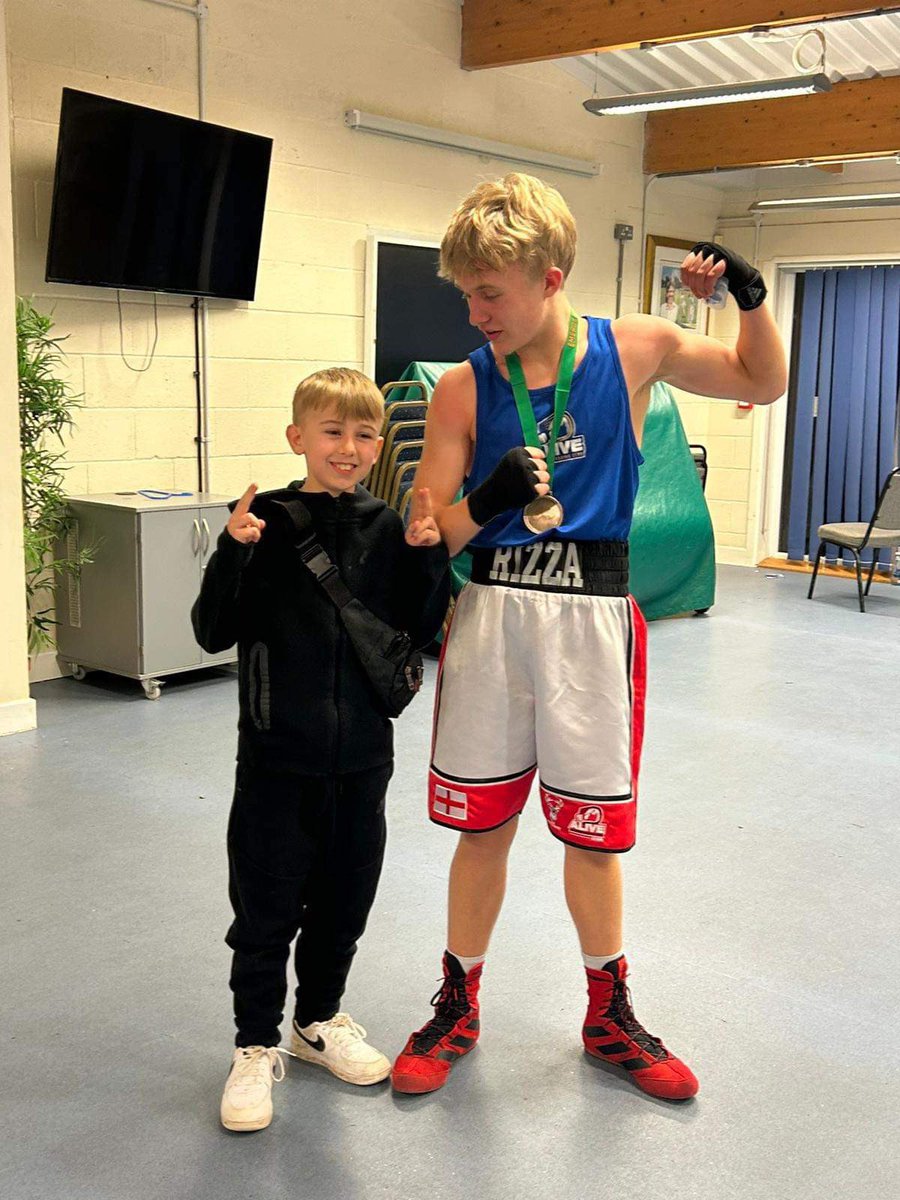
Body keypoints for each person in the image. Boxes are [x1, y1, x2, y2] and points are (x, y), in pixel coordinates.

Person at [393, 174, 786, 1101]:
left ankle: (609, 1014)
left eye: (491, 291)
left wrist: (750, 295)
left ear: (552, 276)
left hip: (593, 620)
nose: (476, 310)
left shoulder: (635, 348)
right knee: (482, 828)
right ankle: (458, 1003)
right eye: (466, 292)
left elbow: (762, 382)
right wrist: (482, 500)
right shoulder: (461, 386)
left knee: (593, 834)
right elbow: (427, 533)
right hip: (491, 616)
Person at [192, 368, 449, 1131]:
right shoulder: (264, 521)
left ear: (380, 446)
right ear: (297, 437)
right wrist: (232, 553)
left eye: (364, 434)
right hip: (275, 758)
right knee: (266, 909)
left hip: (364, 759)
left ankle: (319, 1023)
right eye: (332, 432)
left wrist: (428, 556)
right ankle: (252, 1045)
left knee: (344, 902)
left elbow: (419, 633)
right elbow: (211, 631)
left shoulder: (384, 524)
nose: (349, 447)